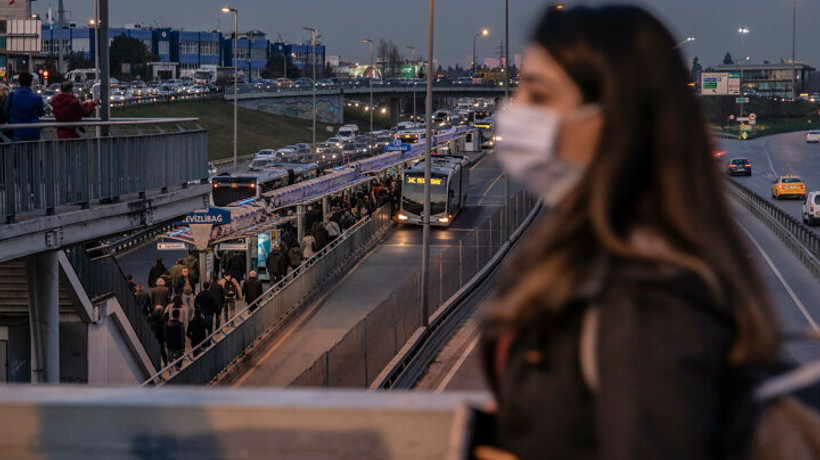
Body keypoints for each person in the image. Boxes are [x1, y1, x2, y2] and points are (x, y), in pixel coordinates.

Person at [479, 6, 780, 460]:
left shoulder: (650, 304)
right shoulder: (578, 254)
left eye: (538, 96)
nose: (513, 111)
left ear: (613, 122)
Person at [5, 72, 45, 141]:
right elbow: (41, 113)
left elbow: (6, 111)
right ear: (31, 83)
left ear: (19, 82)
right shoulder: (37, 98)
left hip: (17, 131)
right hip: (33, 132)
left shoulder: (12, 96)